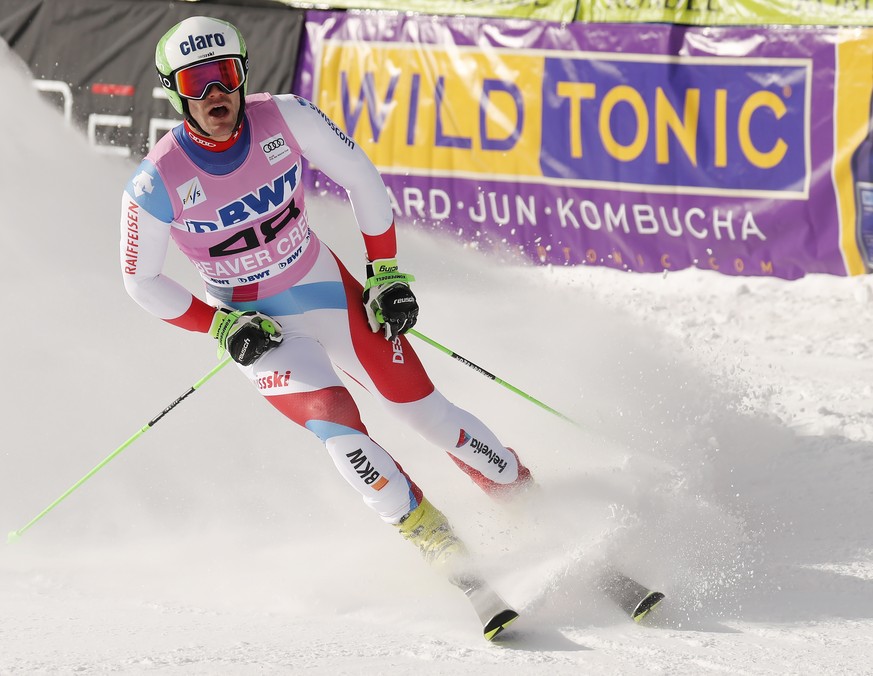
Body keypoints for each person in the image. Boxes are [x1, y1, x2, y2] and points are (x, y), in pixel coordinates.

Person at [120, 15, 535, 635]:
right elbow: (140, 282)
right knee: (339, 430)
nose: (216, 93)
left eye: (225, 74)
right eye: (197, 81)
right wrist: (219, 326)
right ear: (176, 92)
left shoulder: (286, 117)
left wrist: (387, 272)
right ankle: (436, 541)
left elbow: (362, 179)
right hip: (261, 329)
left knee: (426, 413)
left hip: (328, 291)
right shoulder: (157, 182)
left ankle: (530, 501)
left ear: (242, 75)